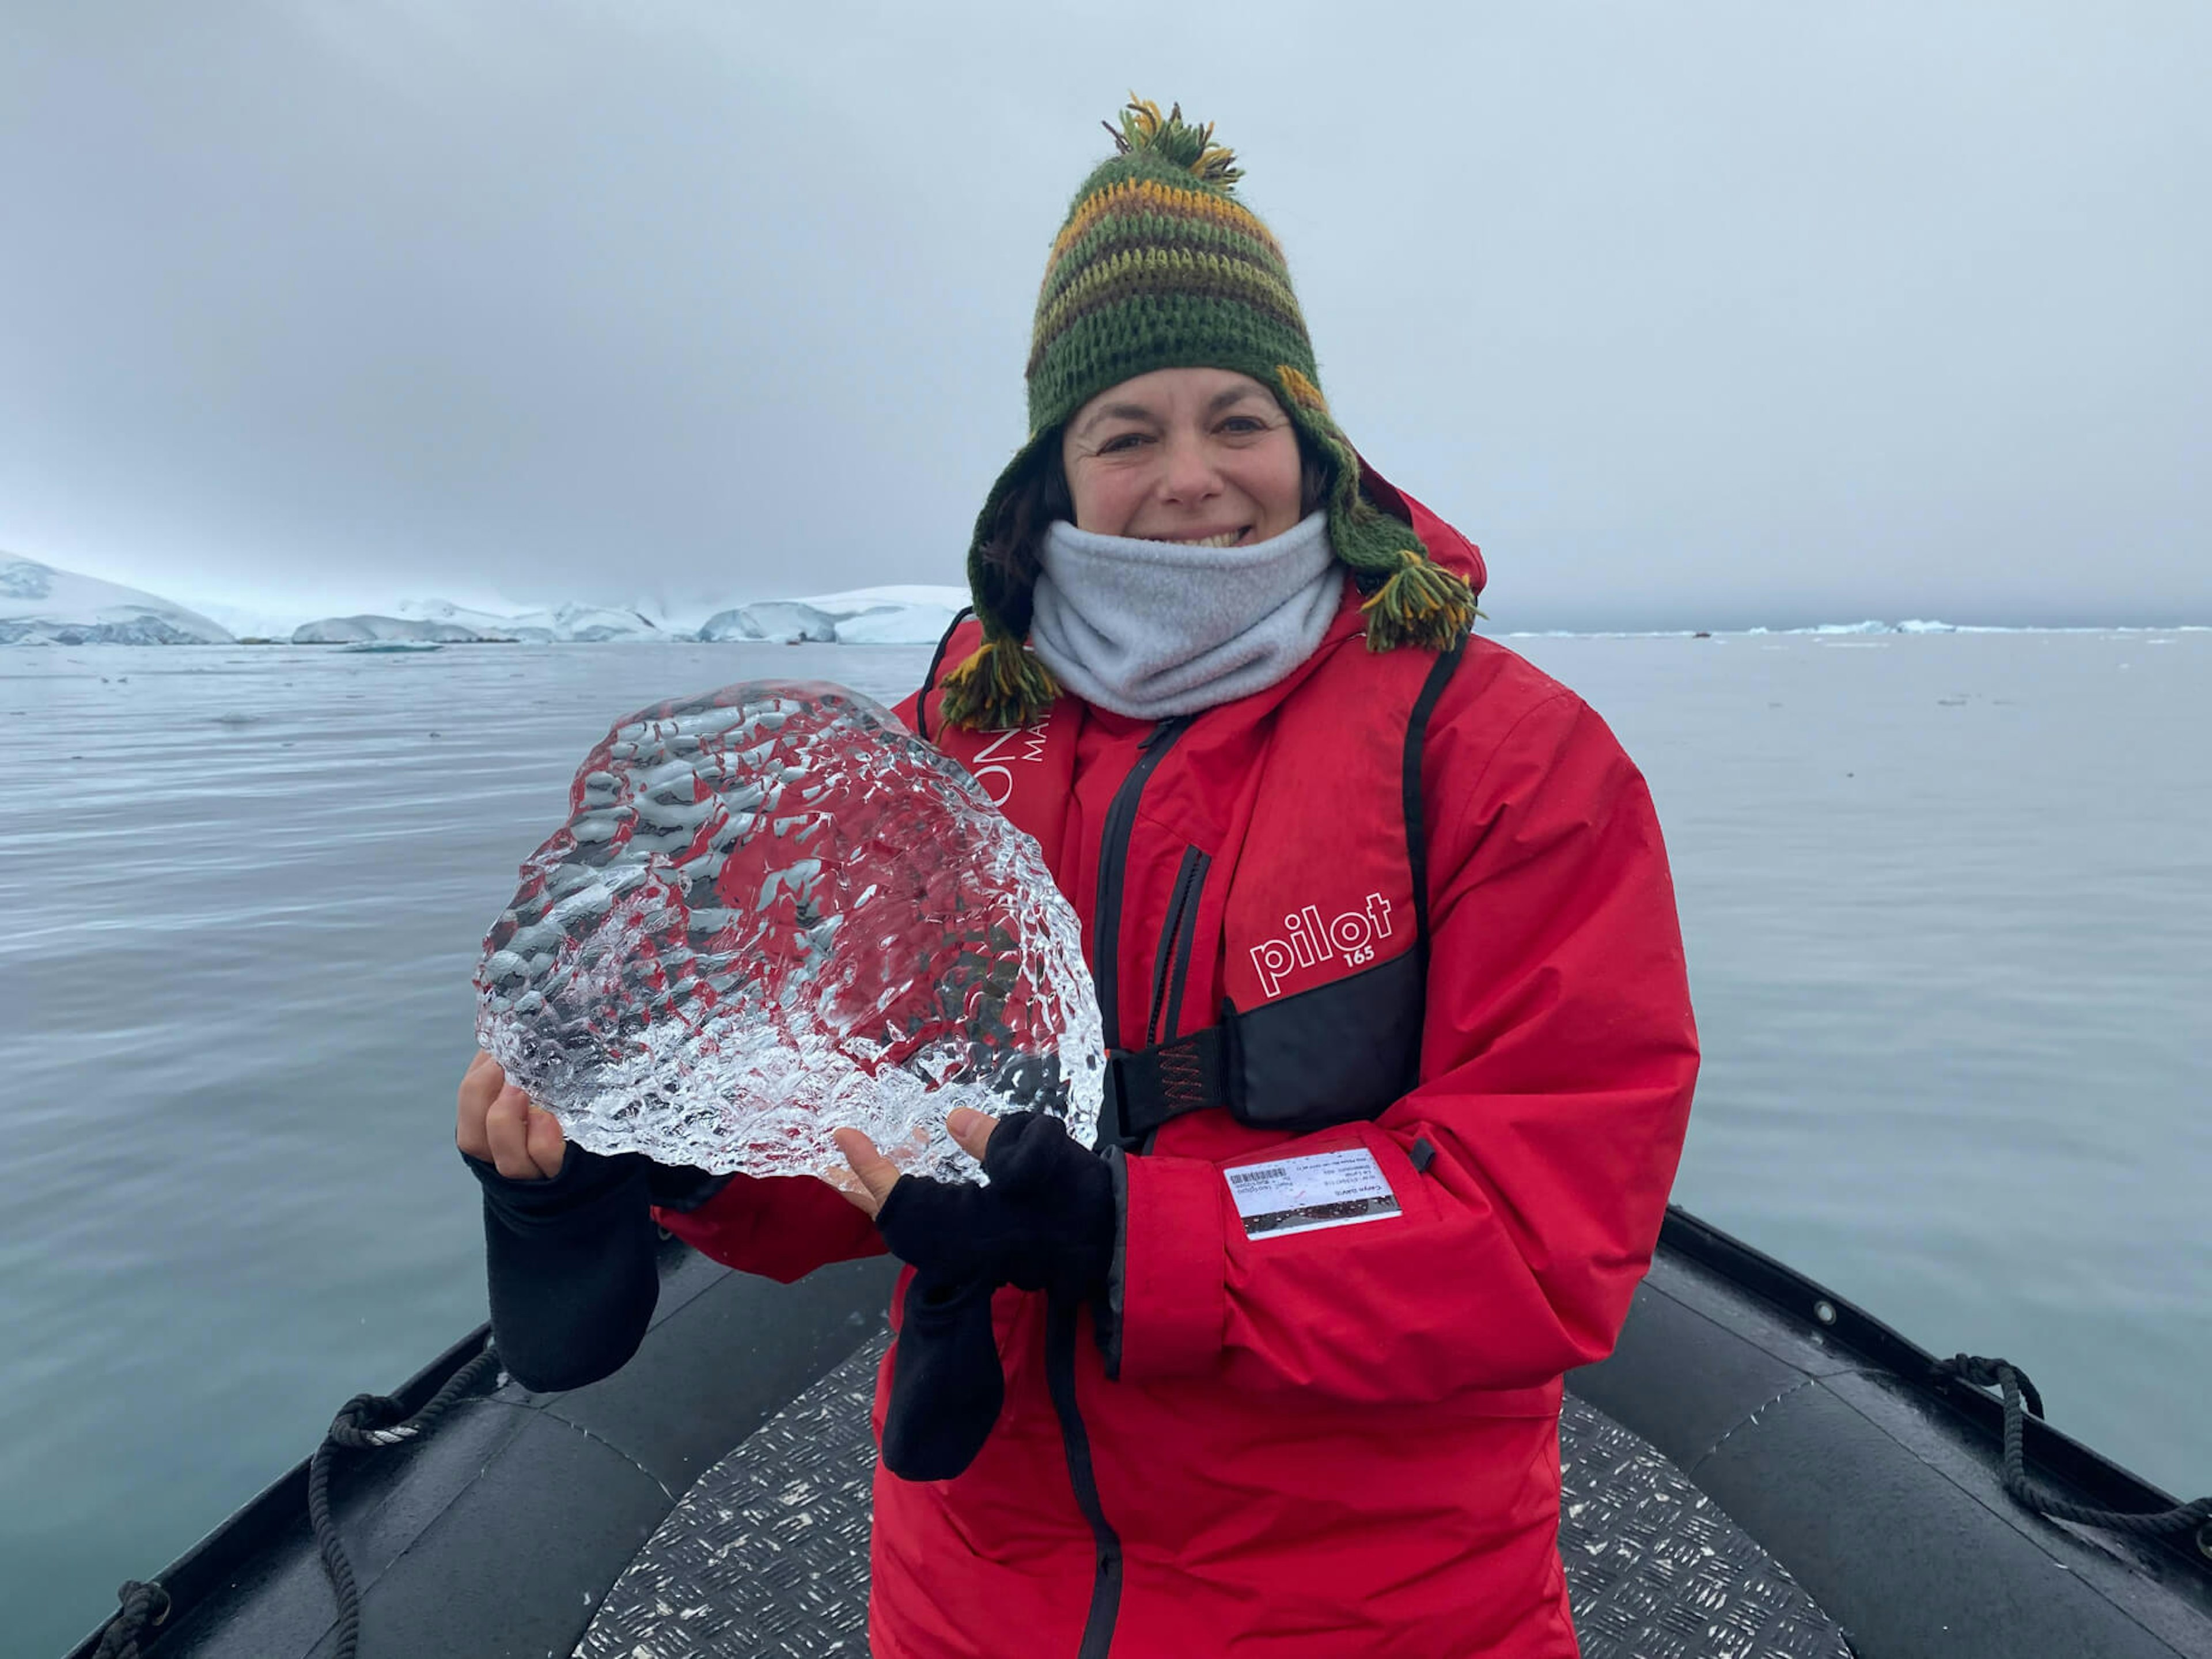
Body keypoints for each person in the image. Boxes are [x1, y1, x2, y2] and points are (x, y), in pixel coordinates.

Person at [460, 99, 1698, 1658]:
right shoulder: (946, 750)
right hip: (972, 1594)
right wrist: (658, 1148)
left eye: (1237, 418)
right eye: (1127, 431)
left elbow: (1545, 1219)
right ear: (1054, 474)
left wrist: (1132, 1238)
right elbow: (849, 1141)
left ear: (1312, 443)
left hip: (1377, 1610)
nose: (1191, 477)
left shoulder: (1505, 756)